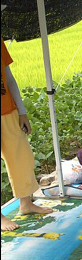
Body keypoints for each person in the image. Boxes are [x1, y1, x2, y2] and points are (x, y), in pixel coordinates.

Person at [1, 37, 53, 231]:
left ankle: (26, 203)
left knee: (22, 157)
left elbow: (10, 79)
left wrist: (22, 111)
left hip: (8, 112)